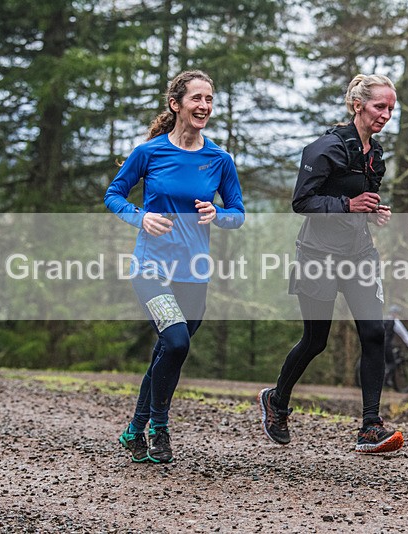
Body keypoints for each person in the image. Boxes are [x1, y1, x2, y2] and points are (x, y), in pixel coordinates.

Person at [258, 74, 404, 454]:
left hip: (359, 255)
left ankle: (370, 426)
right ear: (358, 106)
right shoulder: (324, 149)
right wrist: (348, 205)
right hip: (317, 255)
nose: (386, 114)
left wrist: (372, 212)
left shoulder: (375, 155)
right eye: (379, 106)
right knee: (316, 340)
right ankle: (277, 400)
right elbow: (302, 202)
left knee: (375, 334)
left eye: (391, 108)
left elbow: (360, 200)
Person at [105, 70, 245, 463]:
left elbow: (238, 214)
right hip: (152, 268)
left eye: (210, 99)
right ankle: (160, 429)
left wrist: (217, 213)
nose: (204, 106)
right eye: (197, 99)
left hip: (193, 272)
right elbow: (114, 194)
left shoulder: (218, 159)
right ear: (176, 104)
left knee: (168, 349)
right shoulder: (149, 153)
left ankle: (134, 428)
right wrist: (139, 217)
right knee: (177, 341)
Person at [384, 304, 408, 380]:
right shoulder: (395, 322)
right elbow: (404, 334)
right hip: (386, 345)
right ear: (395, 313)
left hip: (376, 343)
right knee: (392, 364)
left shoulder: (384, 319)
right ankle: (386, 379)